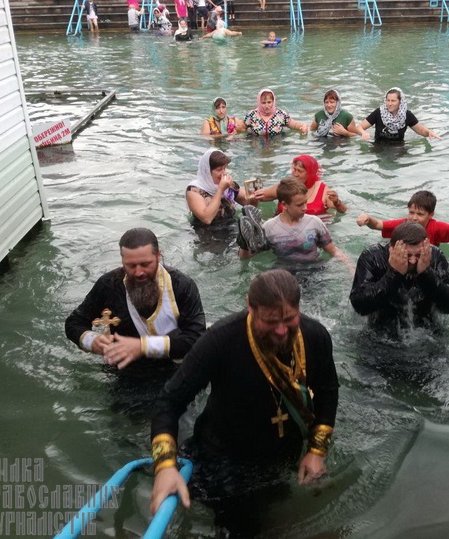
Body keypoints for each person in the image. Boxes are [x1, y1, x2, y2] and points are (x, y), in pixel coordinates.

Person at [149, 269, 339, 534]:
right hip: (226, 458)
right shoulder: (220, 340)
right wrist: (165, 467)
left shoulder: (315, 336)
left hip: (283, 451)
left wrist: (316, 451)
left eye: (289, 319)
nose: (282, 330)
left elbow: (329, 392)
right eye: (270, 321)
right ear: (250, 307)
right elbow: (168, 403)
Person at [64, 228, 206, 368]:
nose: (139, 272)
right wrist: (92, 341)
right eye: (131, 266)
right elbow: (74, 323)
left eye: (145, 264)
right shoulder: (108, 285)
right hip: (127, 367)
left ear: (158, 256)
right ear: (122, 260)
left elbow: (195, 338)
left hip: (175, 363)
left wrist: (141, 346)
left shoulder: (182, 286)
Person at [350, 221, 449, 330]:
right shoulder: (373, 257)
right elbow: (360, 306)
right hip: (381, 328)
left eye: (418, 255)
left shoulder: (434, 256)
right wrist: (394, 273)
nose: (413, 261)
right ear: (391, 248)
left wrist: (426, 273)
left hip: (427, 328)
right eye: (407, 255)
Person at [239, 178, 351, 267]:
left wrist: (350, 267)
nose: (305, 208)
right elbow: (246, 258)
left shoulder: (315, 223)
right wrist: (244, 245)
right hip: (284, 273)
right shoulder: (269, 227)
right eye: (299, 205)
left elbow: (333, 250)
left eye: (305, 203)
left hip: (314, 270)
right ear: (284, 205)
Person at [356, 190, 449, 246]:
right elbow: (378, 225)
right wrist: (368, 218)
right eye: (411, 212)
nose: (414, 218)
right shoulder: (403, 224)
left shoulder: (436, 227)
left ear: (431, 215)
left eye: (420, 214)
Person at [252, 155, 348, 215]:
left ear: (310, 173)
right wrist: (254, 195)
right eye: (294, 170)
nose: (295, 174)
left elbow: (343, 211)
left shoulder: (323, 190)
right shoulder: (286, 186)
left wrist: (337, 202)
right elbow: (262, 196)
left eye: (300, 171)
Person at [186, 148, 252, 225]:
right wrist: (220, 190)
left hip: (230, 226)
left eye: (224, 168)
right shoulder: (193, 190)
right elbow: (206, 219)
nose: (223, 173)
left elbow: (249, 204)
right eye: (219, 169)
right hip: (205, 232)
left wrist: (254, 197)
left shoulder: (229, 185)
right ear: (207, 171)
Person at [357, 88, 441, 144]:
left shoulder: (407, 115)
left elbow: (422, 131)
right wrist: (363, 132)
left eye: (393, 101)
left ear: (400, 102)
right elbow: (358, 127)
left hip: (399, 146)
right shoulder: (379, 112)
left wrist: (429, 132)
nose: (389, 104)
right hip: (378, 145)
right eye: (388, 100)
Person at [241, 89, 309, 137]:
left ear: (273, 102)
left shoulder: (281, 114)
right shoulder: (252, 115)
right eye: (263, 103)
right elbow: (241, 128)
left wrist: (303, 127)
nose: (267, 106)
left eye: (269, 102)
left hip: (276, 148)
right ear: (259, 103)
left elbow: (294, 125)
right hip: (257, 147)